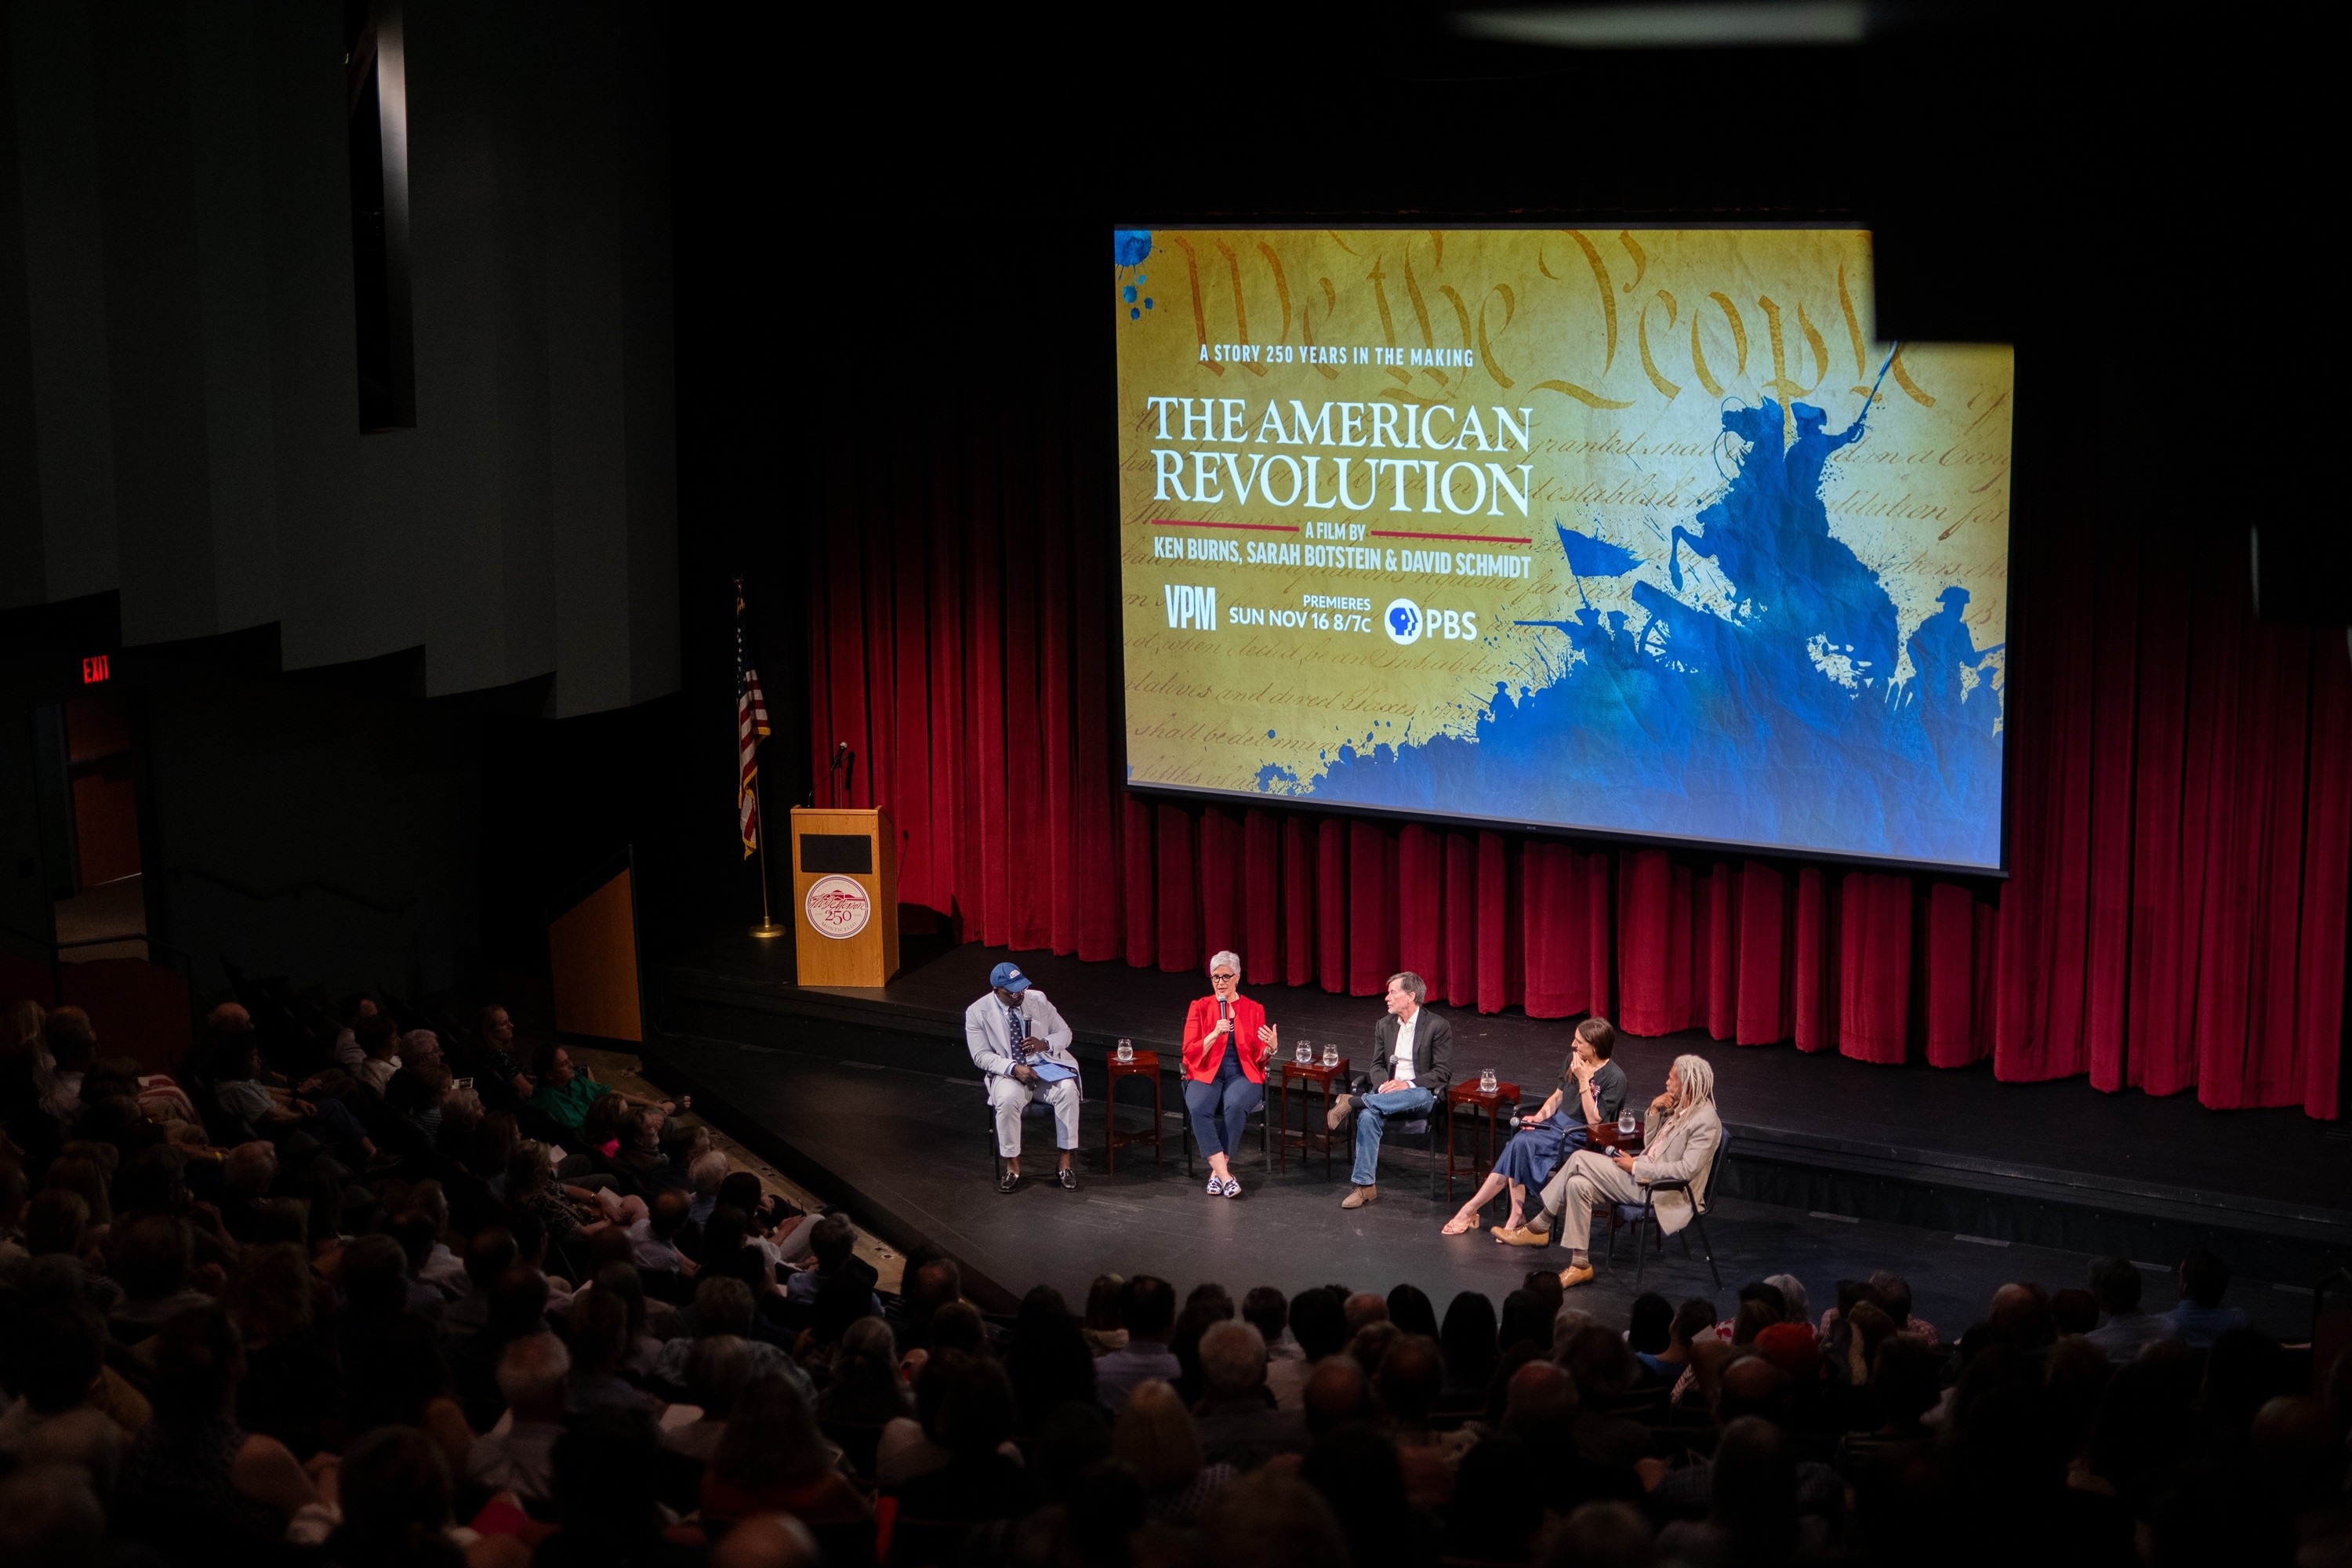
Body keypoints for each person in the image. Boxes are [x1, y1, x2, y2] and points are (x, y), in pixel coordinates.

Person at [1513, 1053, 1722, 1290]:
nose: (1667, 1083)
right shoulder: (1681, 1108)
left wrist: (1635, 1166)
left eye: (1672, 1079)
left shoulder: (1705, 1120)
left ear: (1688, 1085)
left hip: (1663, 1192)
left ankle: (1541, 1224)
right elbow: (1652, 1148)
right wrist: (1654, 1110)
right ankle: (1580, 1264)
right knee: (1577, 1185)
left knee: (1580, 1158)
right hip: (1644, 1176)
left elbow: (1685, 1171)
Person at [1443, 1017, 1626, 1237]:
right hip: (1556, 1125)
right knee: (1519, 1141)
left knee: (1519, 1145)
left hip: (1581, 1135)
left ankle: (1475, 1211)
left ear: (1595, 1047)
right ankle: (1509, 1214)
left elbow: (1594, 1120)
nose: (1573, 1045)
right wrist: (1539, 1117)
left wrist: (1584, 1083)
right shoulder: (1573, 1058)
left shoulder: (1615, 1077)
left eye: (1579, 1042)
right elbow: (1558, 1097)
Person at [1326, 971, 1453, 1209]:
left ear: (1411, 996)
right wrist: (1385, 1085)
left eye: (1393, 992)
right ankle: (1365, 1187)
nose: (1387, 998)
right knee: (1367, 1117)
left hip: (1419, 1097)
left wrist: (1407, 1084)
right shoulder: (1384, 1025)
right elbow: (1376, 1065)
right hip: (1386, 1097)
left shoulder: (1437, 1026)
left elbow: (1442, 1072)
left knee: (1418, 1094)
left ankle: (1352, 1102)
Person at [963, 960, 1081, 1192]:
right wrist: (1013, 1068)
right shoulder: (977, 1012)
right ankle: (1013, 1167)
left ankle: (1065, 1163)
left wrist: (1044, 1043)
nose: (1020, 995)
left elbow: (1065, 1033)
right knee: (1006, 1100)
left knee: (1068, 1089)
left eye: (1022, 988)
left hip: (1044, 1069)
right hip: (1009, 1074)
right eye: (1013, 991)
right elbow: (980, 1056)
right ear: (997, 990)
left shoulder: (1038, 999)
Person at [1181, 949, 1277, 1198]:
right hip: (1206, 1072)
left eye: (1226, 977)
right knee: (1199, 1106)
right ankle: (1225, 1175)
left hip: (1242, 1073)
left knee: (1235, 1105)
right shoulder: (1199, 1007)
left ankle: (1216, 1173)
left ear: (1238, 977)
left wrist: (1271, 1048)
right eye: (1215, 977)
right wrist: (1214, 1034)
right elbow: (1189, 1051)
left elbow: (1258, 1051)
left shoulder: (1254, 1009)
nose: (1220, 983)